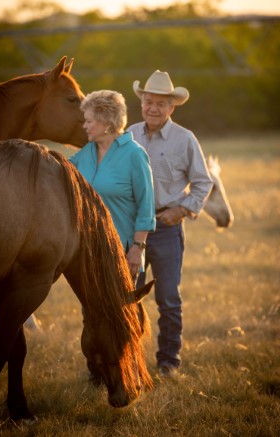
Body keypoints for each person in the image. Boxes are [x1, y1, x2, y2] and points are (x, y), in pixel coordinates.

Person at [128, 70, 213, 377]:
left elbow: (203, 184)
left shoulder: (185, 139)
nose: (152, 108)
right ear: (142, 102)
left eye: (160, 103)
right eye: (148, 101)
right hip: (130, 228)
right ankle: (130, 360)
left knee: (168, 298)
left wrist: (181, 210)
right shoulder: (129, 135)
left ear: (171, 107)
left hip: (165, 227)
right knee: (127, 295)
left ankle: (168, 362)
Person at [69, 89, 156, 280]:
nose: (84, 126)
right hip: (89, 252)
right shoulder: (86, 152)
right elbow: (59, 171)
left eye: (89, 121)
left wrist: (137, 248)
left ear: (107, 123)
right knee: (90, 310)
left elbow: (146, 207)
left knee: (120, 309)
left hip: (123, 253)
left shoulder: (135, 154)